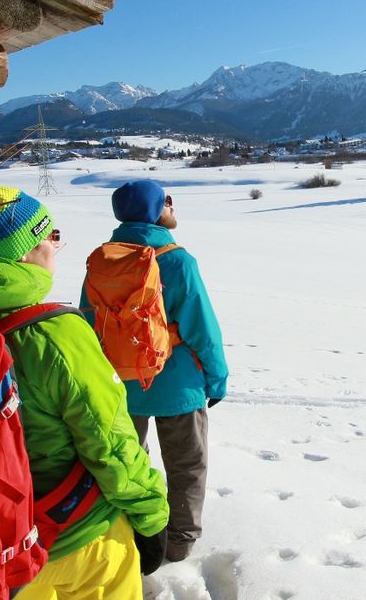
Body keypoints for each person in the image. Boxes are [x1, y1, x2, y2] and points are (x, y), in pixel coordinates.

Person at [0, 170, 169, 599]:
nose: (55, 247)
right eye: (51, 236)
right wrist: (152, 519)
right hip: (77, 537)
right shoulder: (56, 333)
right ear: (24, 251)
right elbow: (110, 443)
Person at [80, 179, 228, 563]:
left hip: (119, 385)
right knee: (187, 466)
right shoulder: (178, 261)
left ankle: (136, 534)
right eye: (166, 200)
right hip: (178, 385)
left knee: (128, 465)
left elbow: (88, 323)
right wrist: (217, 379)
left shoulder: (102, 261)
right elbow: (202, 329)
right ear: (153, 210)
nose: (172, 205)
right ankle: (178, 543)